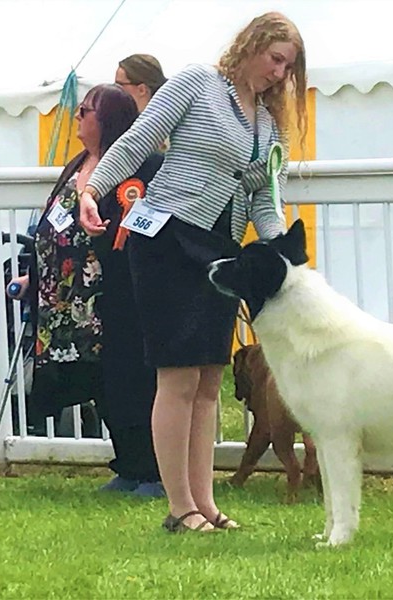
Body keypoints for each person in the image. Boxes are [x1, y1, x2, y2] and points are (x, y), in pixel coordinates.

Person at [79, 11, 308, 533]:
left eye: (288, 68)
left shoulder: (267, 123)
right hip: (167, 238)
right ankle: (179, 506)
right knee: (178, 375)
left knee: (208, 380)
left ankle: (205, 502)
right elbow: (139, 140)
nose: (279, 74)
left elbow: (263, 197)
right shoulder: (197, 82)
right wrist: (93, 189)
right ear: (251, 45)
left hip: (218, 250)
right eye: (275, 60)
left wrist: (281, 253)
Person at [13, 83, 165, 496]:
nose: (78, 118)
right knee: (98, 384)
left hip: (112, 296)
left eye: (86, 111)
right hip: (66, 301)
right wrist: (34, 277)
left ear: (109, 119)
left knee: (131, 381)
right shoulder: (77, 165)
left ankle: (153, 470)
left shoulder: (134, 168)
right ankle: (128, 465)